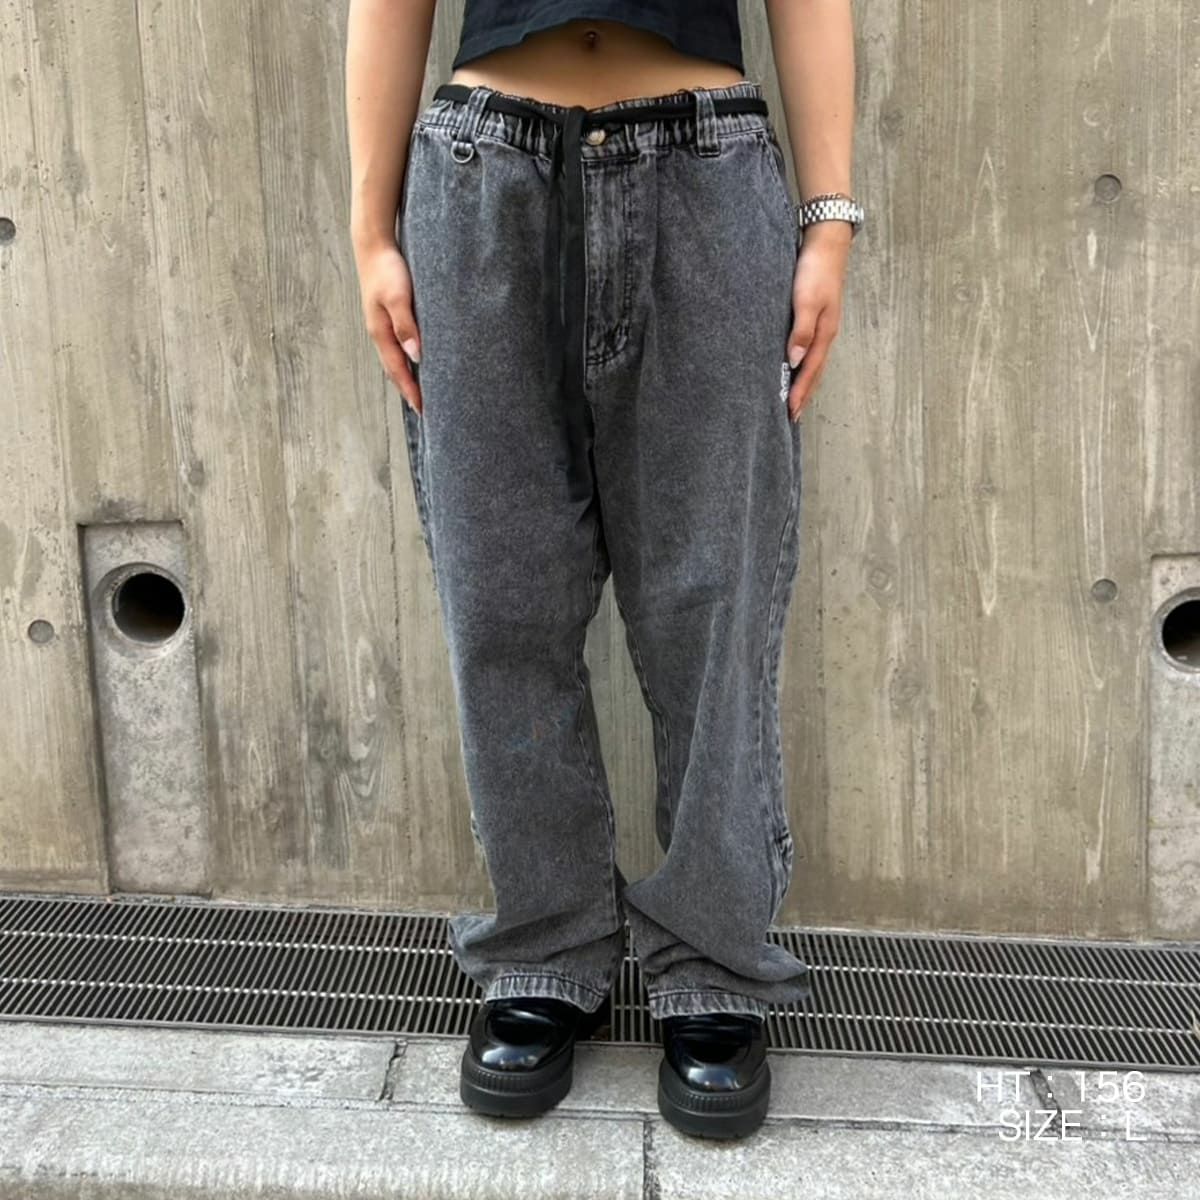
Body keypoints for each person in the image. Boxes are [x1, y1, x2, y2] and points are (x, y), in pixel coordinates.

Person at [347, 0, 860, 1140]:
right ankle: (544, 942)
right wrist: (370, 227)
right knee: (502, 599)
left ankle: (714, 960)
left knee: (713, 604)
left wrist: (828, 221)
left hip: (704, 170)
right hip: (482, 176)